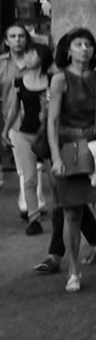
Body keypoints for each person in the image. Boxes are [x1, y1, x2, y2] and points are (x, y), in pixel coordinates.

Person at [46, 27, 96, 293]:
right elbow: (53, 121)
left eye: (88, 44)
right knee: (72, 213)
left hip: (94, 148)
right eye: (78, 44)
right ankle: (73, 271)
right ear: (68, 49)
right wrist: (55, 157)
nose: (84, 48)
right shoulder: (60, 79)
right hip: (68, 149)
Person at [5, 39, 52, 236]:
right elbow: (15, 109)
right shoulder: (19, 81)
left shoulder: (53, 80)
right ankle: (34, 218)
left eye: (33, 53)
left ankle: (63, 212)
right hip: (24, 134)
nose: (28, 57)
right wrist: (5, 130)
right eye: (27, 54)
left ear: (42, 57)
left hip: (49, 133)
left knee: (56, 177)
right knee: (29, 178)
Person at [2, 22, 32, 227]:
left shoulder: (35, 60)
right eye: (13, 36)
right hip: (12, 118)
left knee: (37, 165)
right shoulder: (2, 64)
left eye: (21, 36)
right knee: (23, 165)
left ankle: (31, 202)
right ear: (6, 41)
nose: (17, 40)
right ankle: (28, 204)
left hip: (36, 116)